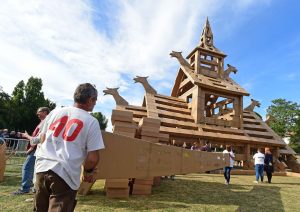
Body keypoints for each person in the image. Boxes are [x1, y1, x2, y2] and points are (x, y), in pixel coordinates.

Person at [34, 83, 105, 211]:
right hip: (64, 174)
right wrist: (88, 172)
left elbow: (43, 139)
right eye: (95, 100)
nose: (95, 103)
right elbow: (93, 158)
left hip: (41, 168)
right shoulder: (91, 121)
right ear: (90, 100)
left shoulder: (55, 112)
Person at [12, 107, 50, 195]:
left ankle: (25, 188)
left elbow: (38, 138)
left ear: (45, 112)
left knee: (27, 167)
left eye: (39, 112)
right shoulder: (44, 122)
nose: (37, 114)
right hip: (38, 149)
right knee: (35, 169)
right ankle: (34, 187)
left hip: (37, 149)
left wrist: (27, 137)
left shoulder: (45, 123)